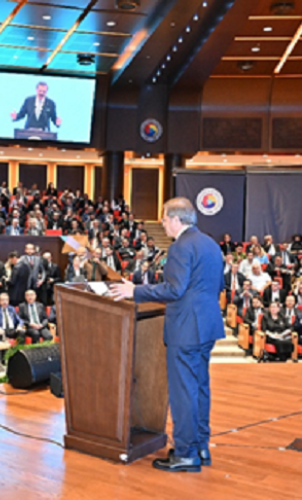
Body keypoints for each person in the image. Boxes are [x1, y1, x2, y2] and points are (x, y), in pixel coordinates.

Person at [110, 197, 224, 473]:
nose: (162, 223)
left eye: (163, 218)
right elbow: (218, 284)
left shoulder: (180, 247)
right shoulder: (210, 243)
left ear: (176, 219)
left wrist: (134, 291)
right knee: (199, 388)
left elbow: (174, 290)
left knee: (183, 391)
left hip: (185, 329)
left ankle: (185, 453)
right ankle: (199, 446)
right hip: (207, 325)